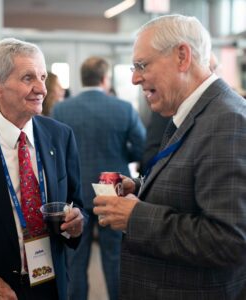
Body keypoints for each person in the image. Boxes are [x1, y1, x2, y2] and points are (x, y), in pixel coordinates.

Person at [93, 14, 246, 300]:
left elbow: (229, 240)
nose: (135, 78)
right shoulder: (195, 113)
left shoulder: (228, 121)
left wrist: (135, 217)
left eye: (142, 65)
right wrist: (140, 188)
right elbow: (193, 189)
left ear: (182, 57)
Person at [0, 38, 85, 300]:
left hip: (49, 286)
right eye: (28, 78)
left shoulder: (61, 136)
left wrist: (76, 224)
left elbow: (75, 203)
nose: (42, 89)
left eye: (43, 77)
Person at [52, 56, 146, 300]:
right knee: (114, 256)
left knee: (76, 258)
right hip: (112, 186)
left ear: (83, 79)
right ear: (105, 79)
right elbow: (141, 147)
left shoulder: (62, 108)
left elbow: (55, 149)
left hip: (76, 189)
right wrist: (118, 154)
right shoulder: (123, 108)